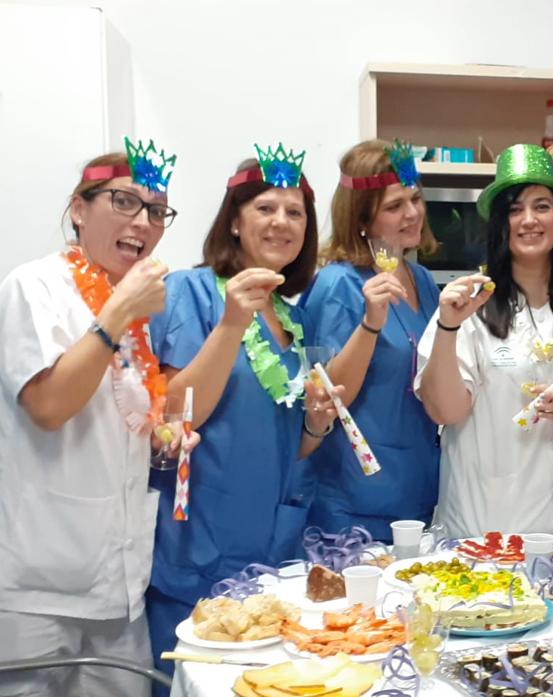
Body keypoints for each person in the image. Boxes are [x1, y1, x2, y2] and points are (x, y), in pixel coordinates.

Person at [0, 140, 197, 696]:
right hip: (39, 585)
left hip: (120, 582)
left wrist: (163, 439)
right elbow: (48, 407)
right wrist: (119, 310)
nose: (144, 221)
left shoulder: (134, 316)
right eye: (125, 202)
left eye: (157, 211)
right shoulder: (34, 288)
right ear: (79, 208)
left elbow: (116, 425)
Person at [145, 144, 341, 678]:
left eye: (295, 212)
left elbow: (287, 444)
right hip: (200, 545)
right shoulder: (190, 292)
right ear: (234, 222)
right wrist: (231, 324)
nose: (282, 222)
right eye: (265, 208)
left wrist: (317, 425)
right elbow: (174, 414)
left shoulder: (290, 318)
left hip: (271, 547)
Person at [415, 144, 553, 538]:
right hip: (485, 519)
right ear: (498, 224)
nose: (528, 220)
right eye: (514, 209)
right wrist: (449, 327)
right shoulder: (469, 302)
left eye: (542, 206)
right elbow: (444, 411)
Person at [299, 139, 441, 541]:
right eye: (395, 206)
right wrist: (370, 324)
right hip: (353, 500)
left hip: (418, 490)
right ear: (362, 217)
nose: (412, 213)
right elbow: (330, 395)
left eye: (415, 199)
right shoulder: (338, 284)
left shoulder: (423, 281)